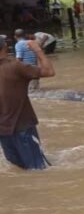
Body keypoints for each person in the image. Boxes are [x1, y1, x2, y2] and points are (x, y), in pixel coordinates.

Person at [0, 34, 55, 170]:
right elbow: (49, 71)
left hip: (4, 130)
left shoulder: (15, 66)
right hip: (22, 126)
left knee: (19, 169)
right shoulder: (15, 66)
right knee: (37, 169)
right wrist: (38, 50)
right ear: (5, 46)